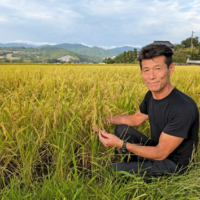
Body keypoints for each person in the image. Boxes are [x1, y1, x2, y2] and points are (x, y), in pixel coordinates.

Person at [93, 44, 199, 177]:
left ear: (170, 69)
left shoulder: (183, 108)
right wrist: (104, 119)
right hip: (156, 148)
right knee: (121, 129)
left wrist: (121, 144)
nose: (151, 76)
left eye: (158, 69)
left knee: (113, 170)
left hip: (173, 164)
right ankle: (136, 165)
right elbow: (135, 119)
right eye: (146, 70)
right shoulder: (151, 95)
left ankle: (134, 169)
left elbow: (161, 153)